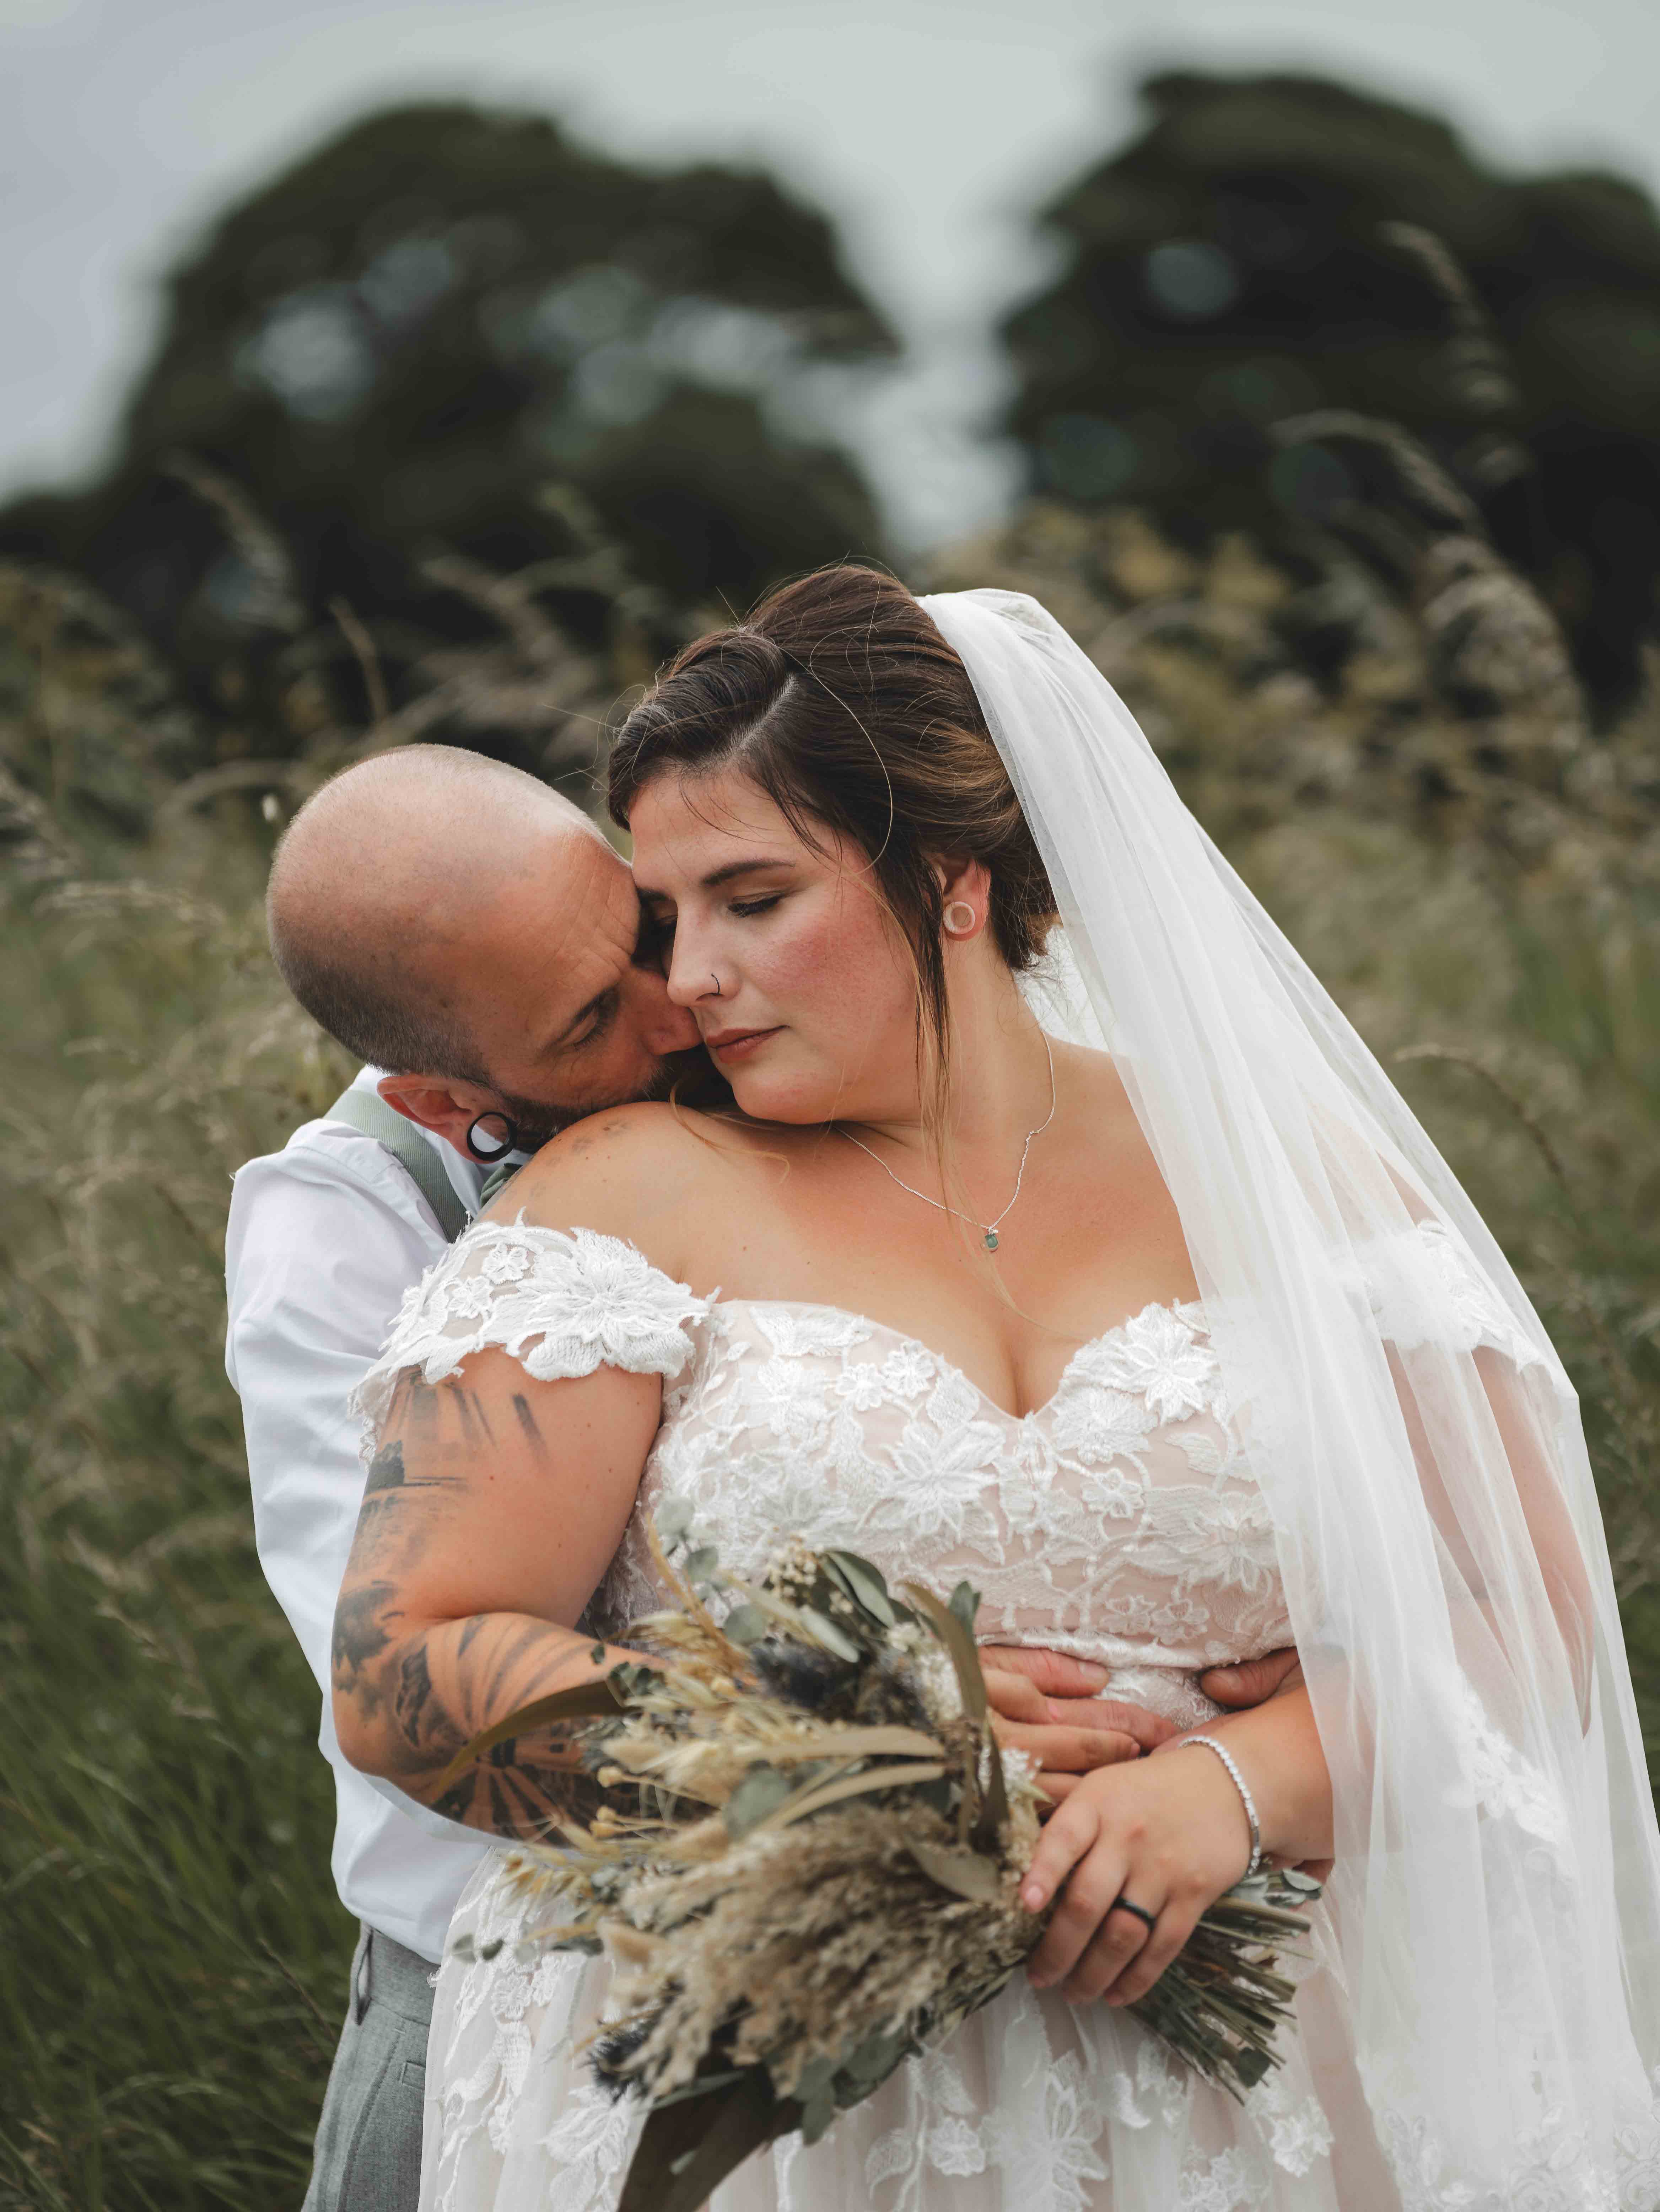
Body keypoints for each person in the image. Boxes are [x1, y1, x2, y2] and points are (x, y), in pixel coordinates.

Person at [334, 564, 1660, 2211]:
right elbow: (407, 1663)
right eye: (664, 918)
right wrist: (847, 1751)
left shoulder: (1275, 1170)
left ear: (948, 877)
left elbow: (1519, 1613)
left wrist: (1235, 1784)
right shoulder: (621, 1192)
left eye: (751, 899)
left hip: (1261, 2087)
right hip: (790, 2101)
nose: (691, 981)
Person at [226, 743, 1243, 2212]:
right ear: (453, 1102)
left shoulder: (836, 1046)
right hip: (512, 1971)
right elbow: (402, 1659)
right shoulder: (341, 1230)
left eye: (645, 926)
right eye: (593, 1019)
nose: (683, 996)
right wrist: (886, 1731)